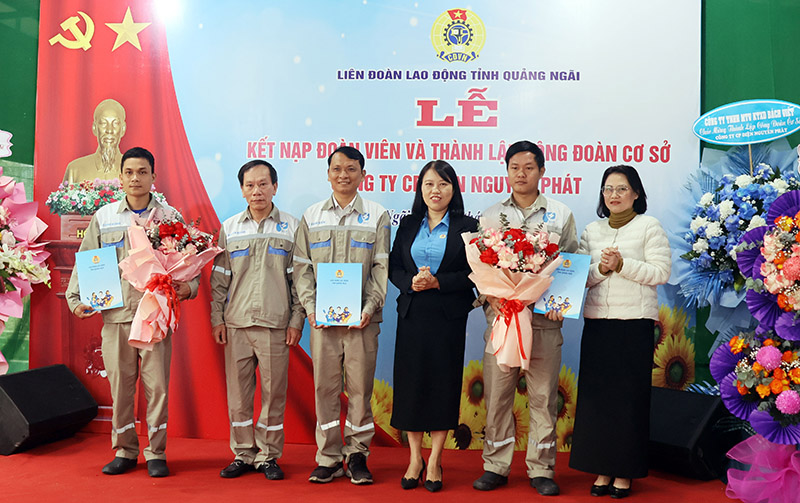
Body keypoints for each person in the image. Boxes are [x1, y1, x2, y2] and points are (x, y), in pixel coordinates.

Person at [66, 147, 199, 477]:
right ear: (121, 177)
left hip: (155, 316)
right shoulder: (105, 217)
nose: (135, 178)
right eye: (129, 172)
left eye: (142, 172)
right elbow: (87, 259)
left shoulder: (169, 216)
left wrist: (189, 287)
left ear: (154, 176)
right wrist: (76, 299)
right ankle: (124, 450)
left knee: (158, 389)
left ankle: (157, 453)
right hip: (116, 316)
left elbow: (189, 259)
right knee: (121, 389)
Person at [473, 140, 578, 496]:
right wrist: (490, 297)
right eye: (514, 167)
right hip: (503, 321)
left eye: (529, 167)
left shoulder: (560, 214)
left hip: (544, 323)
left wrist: (561, 302)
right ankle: (495, 465)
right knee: (497, 397)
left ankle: (542, 468)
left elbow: (571, 263)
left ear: (542, 171)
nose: (521, 174)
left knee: (543, 398)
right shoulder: (490, 216)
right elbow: (481, 268)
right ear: (506, 171)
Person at [569, 165, 670, 499]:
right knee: (598, 401)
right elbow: (581, 277)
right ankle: (602, 468)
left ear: (636, 193)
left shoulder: (649, 226)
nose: (614, 195)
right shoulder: (592, 230)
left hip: (634, 324)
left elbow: (661, 272)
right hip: (599, 323)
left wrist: (622, 264)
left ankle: (624, 473)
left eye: (622, 188)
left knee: (628, 401)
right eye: (608, 189)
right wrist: (601, 267)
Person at [293, 146, 390, 485]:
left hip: (362, 322)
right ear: (328, 174)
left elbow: (380, 267)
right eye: (337, 169)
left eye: (351, 168)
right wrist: (310, 308)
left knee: (360, 390)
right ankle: (329, 457)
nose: (343, 175)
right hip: (323, 322)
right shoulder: (312, 216)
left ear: (363, 174)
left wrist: (369, 307)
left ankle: (358, 455)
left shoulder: (376, 215)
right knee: (325, 389)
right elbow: (302, 269)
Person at [210, 160, 304, 481]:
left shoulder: (292, 227)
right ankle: (243, 453)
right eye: (250, 185)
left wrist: (296, 320)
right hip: (236, 324)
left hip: (276, 324)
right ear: (242, 190)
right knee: (238, 396)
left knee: (273, 394)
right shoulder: (230, 228)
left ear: (275, 187)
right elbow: (219, 279)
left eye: (263, 184)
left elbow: (299, 281)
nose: (257, 191)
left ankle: (268, 456)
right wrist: (217, 318)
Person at [389, 160, 479, 492]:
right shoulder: (409, 223)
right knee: (411, 385)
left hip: (447, 317)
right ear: (420, 189)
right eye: (429, 184)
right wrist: (411, 282)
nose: (435, 190)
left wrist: (439, 282)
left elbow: (475, 272)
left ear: (453, 189)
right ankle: (415, 458)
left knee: (443, 385)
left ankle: (436, 460)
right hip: (413, 314)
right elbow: (394, 266)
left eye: (443, 184)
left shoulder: (468, 226)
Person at [63, 98, 127, 183]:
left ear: (123, 129)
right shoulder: (75, 170)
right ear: (94, 128)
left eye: (115, 123)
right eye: (103, 123)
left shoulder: (135, 170)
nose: (109, 130)